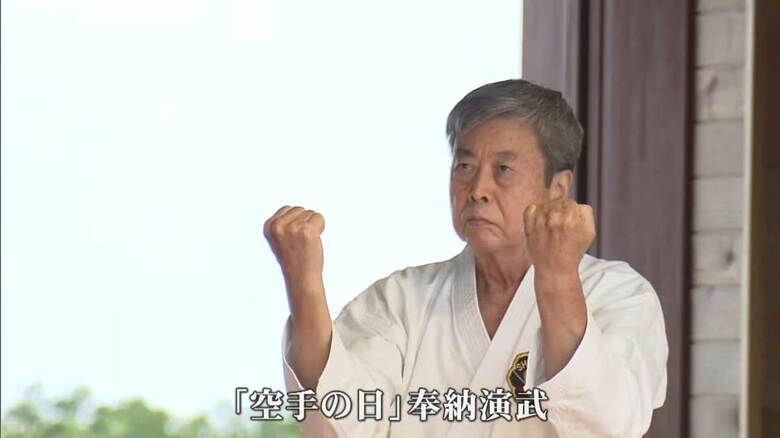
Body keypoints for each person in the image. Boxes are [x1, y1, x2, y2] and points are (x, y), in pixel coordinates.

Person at [263, 79, 668, 437]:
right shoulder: (405, 300)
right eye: (464, 166)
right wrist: (303, 282)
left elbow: (608, 425)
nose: (477, 189)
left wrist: (559, 277)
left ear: (557, 189)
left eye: (503, 169)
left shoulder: (617, 294)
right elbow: (335, 422)